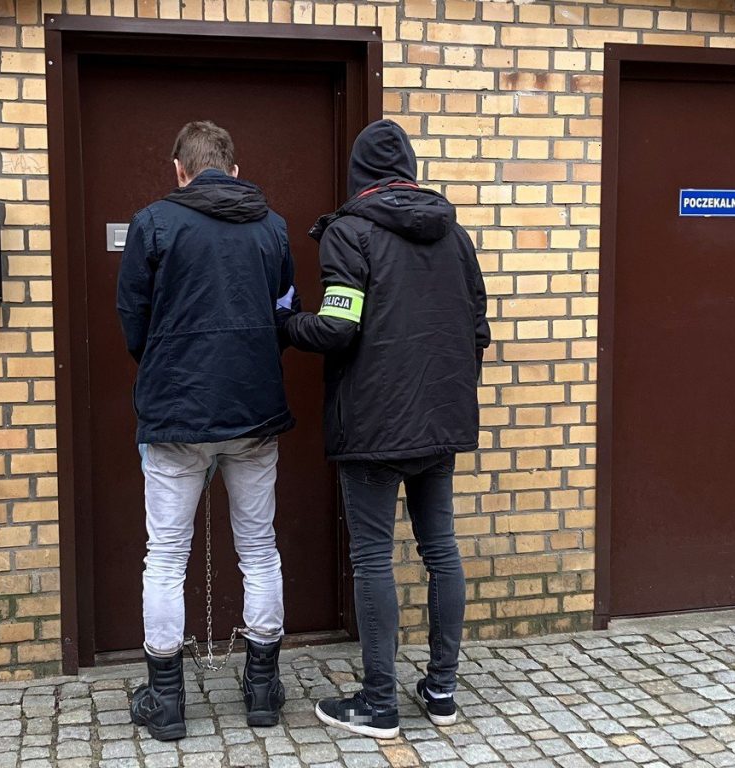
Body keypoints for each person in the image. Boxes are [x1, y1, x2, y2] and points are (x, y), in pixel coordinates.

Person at [278, 119, 490, 739]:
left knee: (373, 556)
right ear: (409, 171)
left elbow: (338, 326)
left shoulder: (349, 232)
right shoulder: (455, 236)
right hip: (441, 422)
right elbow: (477, 330)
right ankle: (442, 691)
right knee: (440, 547)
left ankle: (378, 703)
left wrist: (286, 325)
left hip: (373, 424)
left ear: (359, 176)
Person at [117, 120, 295, 741]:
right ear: (234, 169)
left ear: (179, 169)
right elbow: (284, 309)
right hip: (254, 410)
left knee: (166, 556)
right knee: (259, 548)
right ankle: (263, 689)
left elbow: (132, 316)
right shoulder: (272, 227)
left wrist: (164, 364)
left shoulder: (153, 224)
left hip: (175, 412)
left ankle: (166, 702)